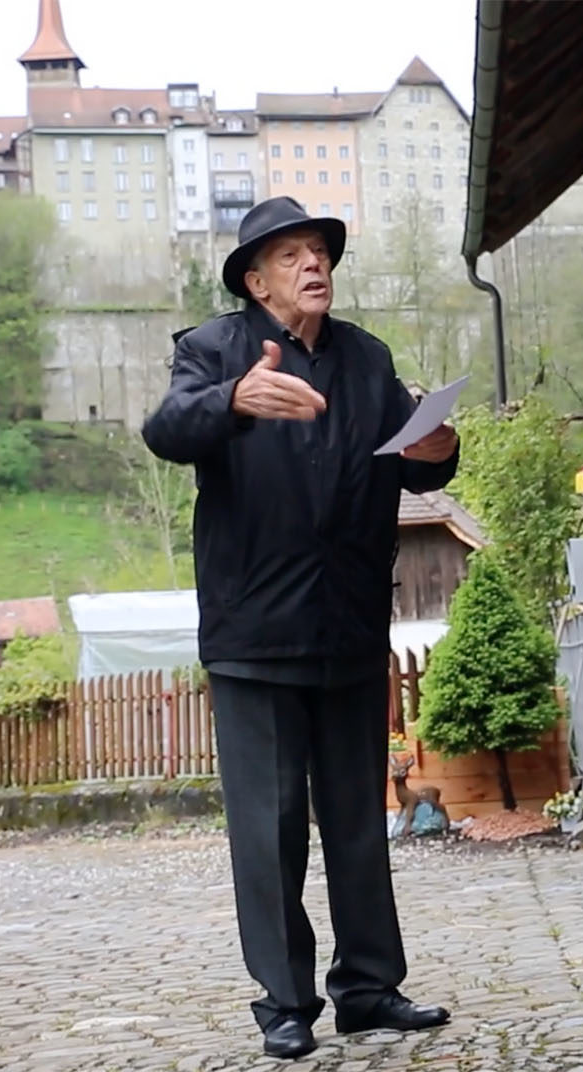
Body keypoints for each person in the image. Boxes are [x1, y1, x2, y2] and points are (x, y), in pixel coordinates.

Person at [142, 197, 459, 1060]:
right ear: (254, 279)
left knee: (358, 818)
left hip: (351, 621)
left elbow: (417, 447)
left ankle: (368, 988)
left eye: (318, 251)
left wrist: (439, 449)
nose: (312, 265)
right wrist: (233, 400)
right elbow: (165, 432)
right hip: (255, 632)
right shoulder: (212, 352)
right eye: (289, 256)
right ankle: (285, 1001)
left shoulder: (367, 358)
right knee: (270, 825)